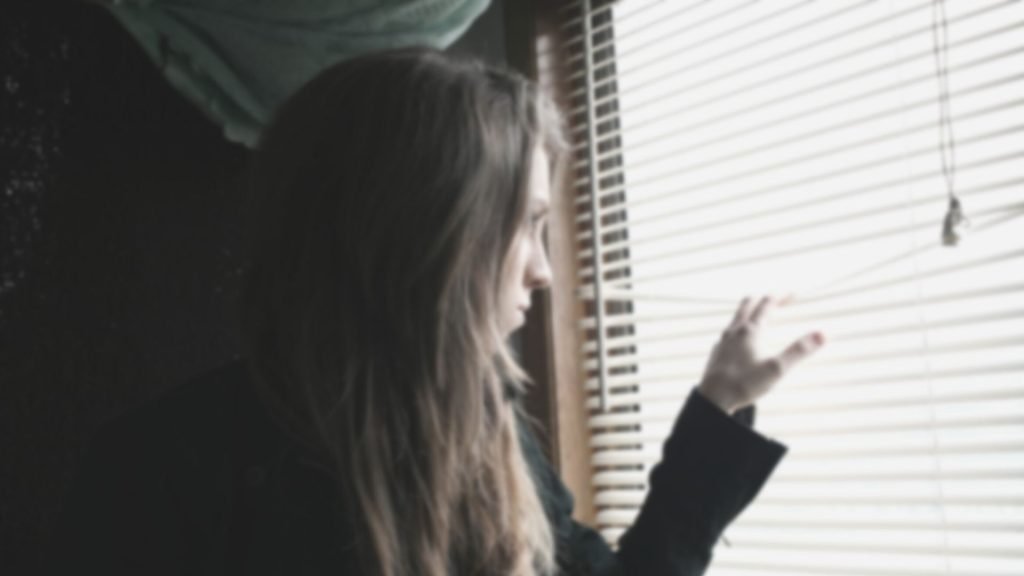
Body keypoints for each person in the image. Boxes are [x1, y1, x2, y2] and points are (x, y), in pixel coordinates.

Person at [50, 47, 825, 575]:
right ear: (421, 229)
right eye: (525, 225)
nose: (544, 272)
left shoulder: (496, 448)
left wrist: (719, 405)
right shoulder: (158, 478)